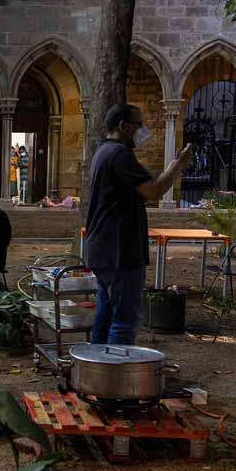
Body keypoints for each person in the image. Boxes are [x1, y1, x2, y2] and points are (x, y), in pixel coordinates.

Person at [84, 104, 193, 345]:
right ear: (123, 126)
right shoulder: (119, 154)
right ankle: (115, 376)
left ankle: (98, 374)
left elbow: (139, 192)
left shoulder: (103, 151)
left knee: (106, 314)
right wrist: (178, 165)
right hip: (119, 251)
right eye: (138, 124)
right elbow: (154, 191)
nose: (142, 130)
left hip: (104, 248)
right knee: (124, 319)